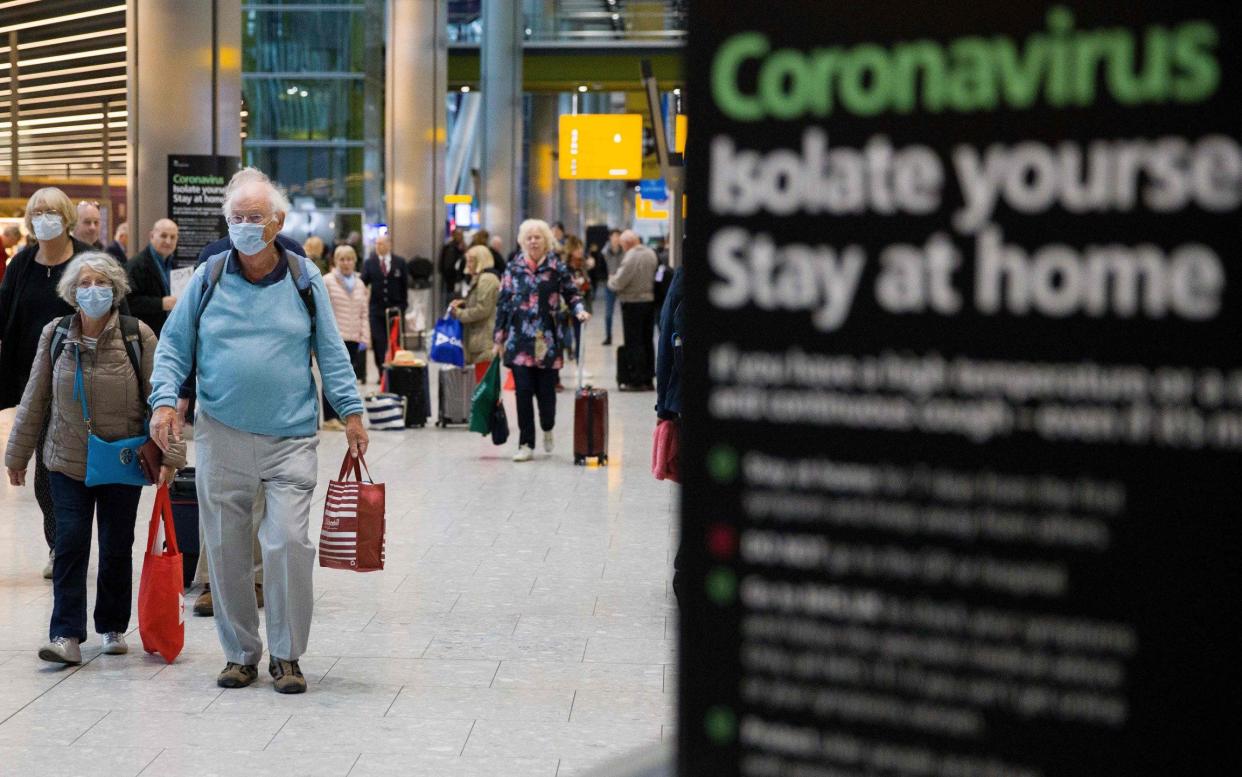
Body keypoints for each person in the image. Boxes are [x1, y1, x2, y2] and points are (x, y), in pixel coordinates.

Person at [148, 175, 368, 694]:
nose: (245, 228)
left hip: (290, 434)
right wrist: (163, 400)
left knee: (288, 541)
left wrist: (353, 411)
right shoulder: (210, 275)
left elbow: (331, 351)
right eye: (237, 219)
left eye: (255, 218)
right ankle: (240, 653)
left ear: (279, 223)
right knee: (225, 547)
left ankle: (287, 655)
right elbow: (174, 346)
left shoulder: (302, 276)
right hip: (222, 432)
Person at [5, 252, 184, 665]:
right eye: (84, 283)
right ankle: (66, 633)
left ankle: (112, 626)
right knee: (69, 544)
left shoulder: (137, 335)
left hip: (121, 460)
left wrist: (171, 455)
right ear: (71, 292)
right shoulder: (56, 335)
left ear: (116, 289)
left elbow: (162, 400)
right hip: (65, 460)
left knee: (117, 545)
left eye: (100, 282)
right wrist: (17, 455)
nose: (92, 290)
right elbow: (35, 397)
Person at [0, 187, 94, 578]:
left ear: (66, 216)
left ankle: (73, 541)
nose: (43, 217)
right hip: (32, 382)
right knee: (45, 470)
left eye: (51, 211)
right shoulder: (22, 263)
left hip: (78, 380)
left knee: (74, 468)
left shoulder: (87, 261)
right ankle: (60, 546)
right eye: (37, 211)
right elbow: (5, 312)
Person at [493, 219, 589, 462]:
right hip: (519, 342)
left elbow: (572, 293)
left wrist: (579, 310)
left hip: (547, 342)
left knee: (546, 397)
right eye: (529, 237)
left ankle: (547, 427)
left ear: (546, 240)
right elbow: (503, 304)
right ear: (523, 241)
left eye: (538, 237)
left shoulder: (557, 267)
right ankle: (526, 443)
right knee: (523, 393)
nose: (533, 241)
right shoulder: (513, 268)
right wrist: (498, 339)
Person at [321, 245, 369, 430]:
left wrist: (365, 337)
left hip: (354, 337)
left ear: (354, 261)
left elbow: (364, 312)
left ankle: (343, 415)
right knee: (332, 377)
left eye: (349, 259)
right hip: (335, 339)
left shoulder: (359, 283)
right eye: (342, 259)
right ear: (336, 261)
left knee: (349, 379)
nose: (346, 263)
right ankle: (329, 418)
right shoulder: (327, 281)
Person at [608, 229, 658, 391]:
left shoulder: (631, 256)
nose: (622, 248)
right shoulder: (651, 253)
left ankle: (636, 379)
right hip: (649, 302)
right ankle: (649, 377)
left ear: (628, 243)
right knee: (647, 340)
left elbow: (620, 282)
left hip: (632, 303)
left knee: (634, 342)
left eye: (622, 245)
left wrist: (611, 280)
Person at [450, 245, 500, 384]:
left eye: (472, 261)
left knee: (484, 389)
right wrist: (464, 304)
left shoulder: (487, 279)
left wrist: (460, 313)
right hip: (478, 341)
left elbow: (483, 309)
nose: (468, 265)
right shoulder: (482, 278)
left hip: (484, 342)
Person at [361, 233, 409, 375]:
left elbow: (404, 286)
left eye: (381, 243)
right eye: (376, 243)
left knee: (395, 341)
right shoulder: (370, 263)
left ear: (389, 244)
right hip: (376, 310)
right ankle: (383, 373)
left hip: (396, 310)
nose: (378, 246)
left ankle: (396, 372)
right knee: (379, 342)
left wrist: (403, 306)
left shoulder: (400, 262)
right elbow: (362, 283)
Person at [125, 218, 180, 336]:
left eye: (173, 237)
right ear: (152, 236)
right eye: (164, 236)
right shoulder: (136, 265)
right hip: (146, 334)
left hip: (169, 331)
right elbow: (129, 302)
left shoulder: (174, 264)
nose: (168, 241)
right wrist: (161, 304)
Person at [563, 235, 593, 363]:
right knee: (565, 337)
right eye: (577, 248)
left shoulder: (583, 265)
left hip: (581, 303)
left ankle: (580, 364)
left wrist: (585, 282)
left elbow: (588, 284)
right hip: (565, 307)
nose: (580, 250)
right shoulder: (563, 267)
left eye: (581, 248)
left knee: (580, 335)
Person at [600, 229, 624, 345]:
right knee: (608, 313)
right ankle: (608, 336)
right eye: (614, 236)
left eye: (618, 236)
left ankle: (627, 337)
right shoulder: (604, 252)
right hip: (609, 285)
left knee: (626, 312)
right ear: (610, 237)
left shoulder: (624, 251)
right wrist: (607, 276)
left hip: (623, 285)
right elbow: (600, 269)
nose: (616, 238)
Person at [438, 227, 466, 303]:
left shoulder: (457, 247)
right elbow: (449, 265)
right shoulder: (452, 248)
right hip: (452, 280)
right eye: (459, 235)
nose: (461, 237)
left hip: (454, 279)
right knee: (452, 301)